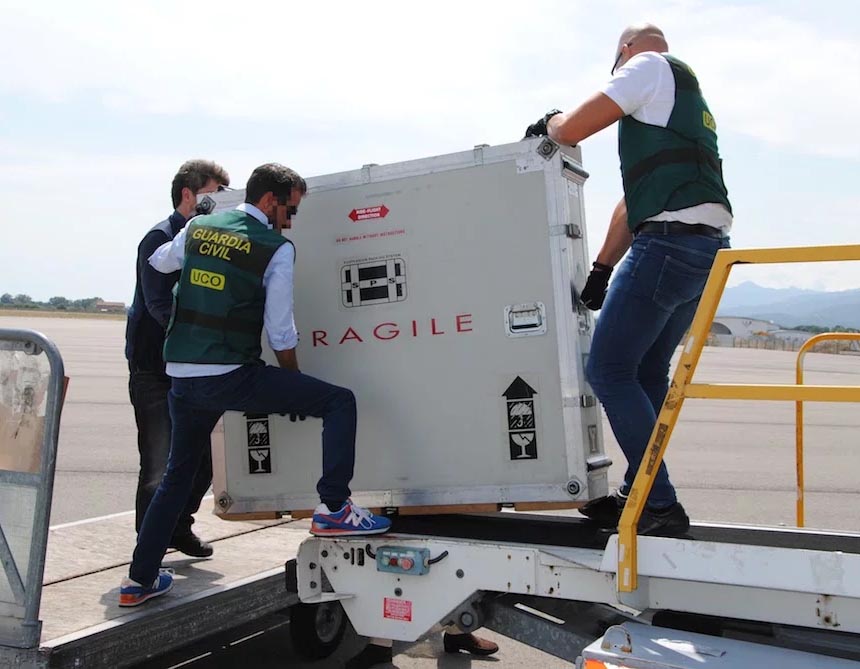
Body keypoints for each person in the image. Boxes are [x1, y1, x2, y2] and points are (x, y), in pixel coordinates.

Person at [119, 163, 391, 606]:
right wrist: (292, 380)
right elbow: (281, 332)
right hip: (230, 374)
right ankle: (334, 507)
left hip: (182, 375)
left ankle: (138, 581)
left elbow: (160, 260)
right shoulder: (275, 248)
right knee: (339, 402)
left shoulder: (199, 228)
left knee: (175, 477)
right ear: (269, 200)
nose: (291, 220)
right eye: (290, 210)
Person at [526, 24, 732, 537]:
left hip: (668, 246)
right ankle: (638, 493)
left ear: (623, 52)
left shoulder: (646, 68)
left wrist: (550, 122)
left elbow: (570, 130)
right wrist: (602, 268)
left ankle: (659, 505)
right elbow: (631, 205)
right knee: (645, 372)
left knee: (608, 370)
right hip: (707, 251)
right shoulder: (684, 106)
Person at [124, 159, 230, 558]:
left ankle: (177, 526)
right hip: (155, 367)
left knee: (205, 459)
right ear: (188, 194)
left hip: (194, 366)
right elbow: (158, 304)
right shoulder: (160, 238)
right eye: (213, 195)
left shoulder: (213, 240)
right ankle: (149, 545)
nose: (220, 204)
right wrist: (198, 339)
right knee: (159, 461)